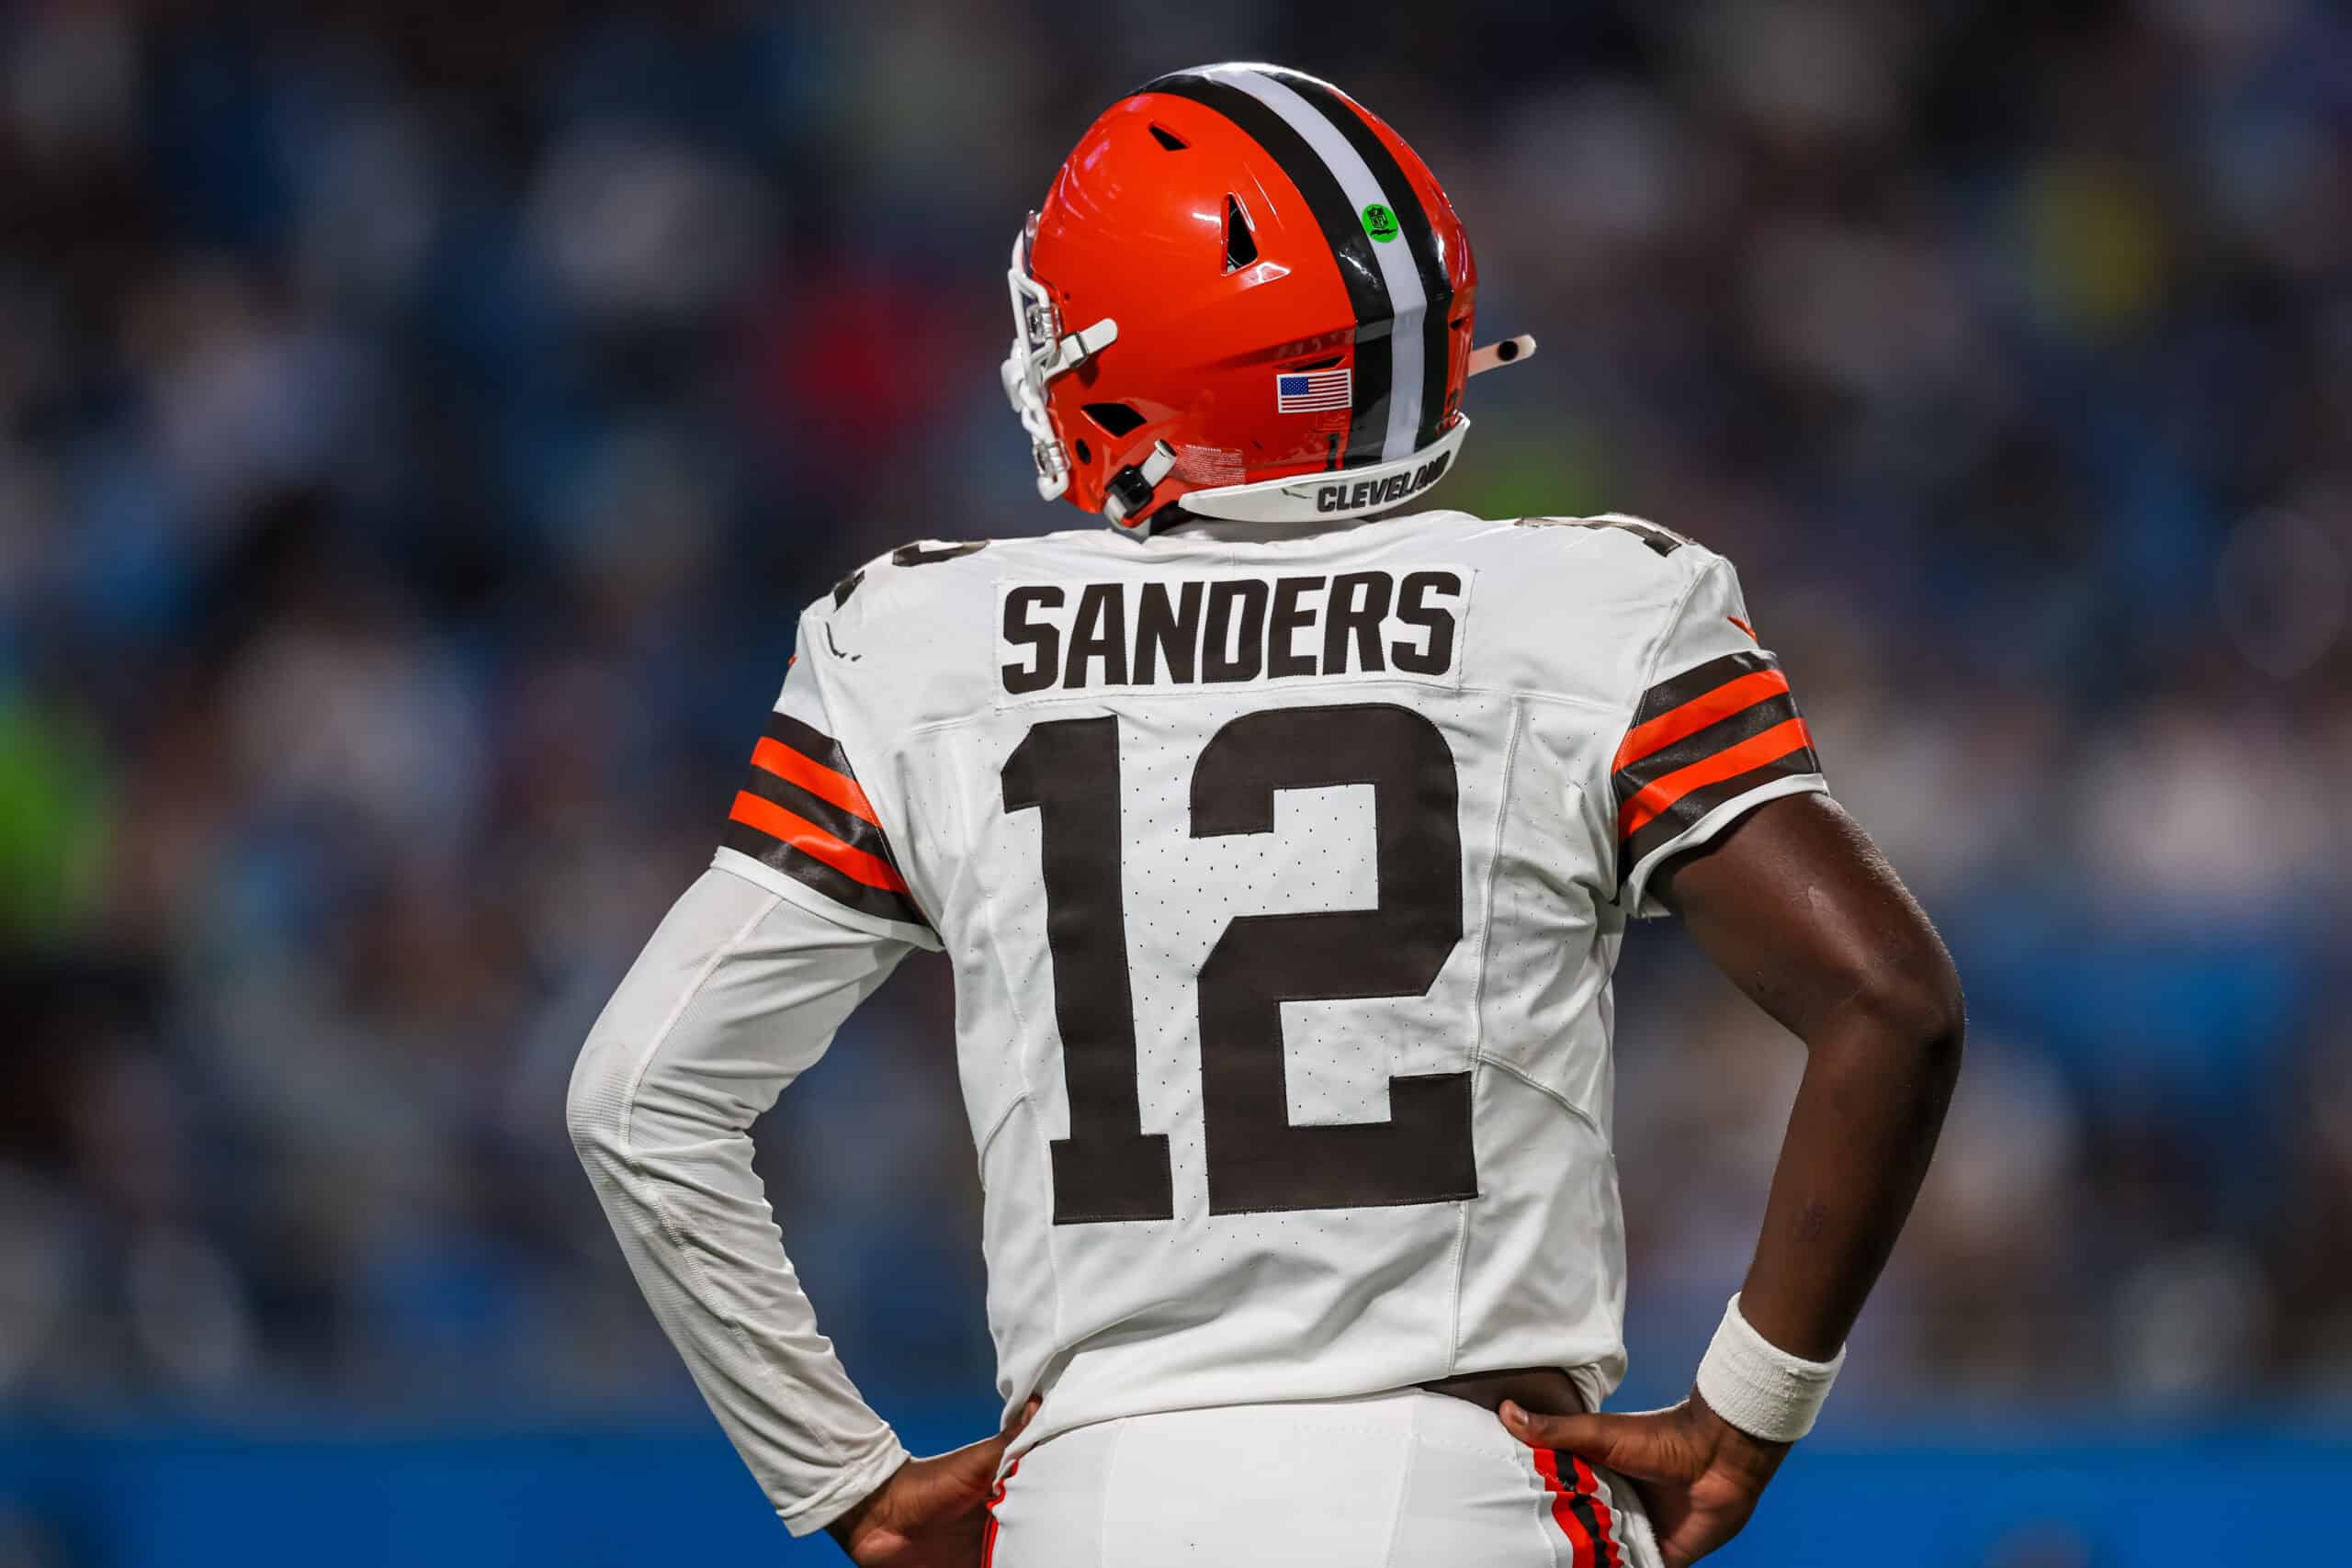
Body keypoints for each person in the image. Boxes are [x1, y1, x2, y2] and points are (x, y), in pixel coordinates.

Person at [568, 62, 1963, 1568]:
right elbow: (1889, 1000)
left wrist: (839, 1473)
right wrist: (1748, 1408)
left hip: (1089, 1506)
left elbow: (639, 1099)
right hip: (1471, 1489)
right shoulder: (1592, 608)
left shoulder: (913, 648)